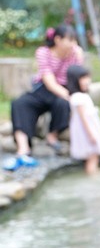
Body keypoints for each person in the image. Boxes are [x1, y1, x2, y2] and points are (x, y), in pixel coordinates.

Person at [5, 25, 84, 171]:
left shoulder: (74, 53)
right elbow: (49, 82)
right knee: (20, 104)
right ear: (58, 40)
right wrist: (69, 96)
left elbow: (78, 75)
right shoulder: (43, 52)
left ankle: (52, 136)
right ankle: (23, 149)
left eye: (74, 40)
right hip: (44, 89)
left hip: (65, 89)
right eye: (70, 40)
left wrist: (79, 57)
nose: (73, 43)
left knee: (62, 103)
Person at [67, 65, 100, 175]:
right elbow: (83, 118)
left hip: (89, 128)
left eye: (87, 77)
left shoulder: (80, 96)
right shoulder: (78, 97)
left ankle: (94, 174)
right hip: (86, 130)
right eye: (83, 78)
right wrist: (91, 134)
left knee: (94, 157)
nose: (87, 81)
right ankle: (93, 176)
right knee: (92, 157)